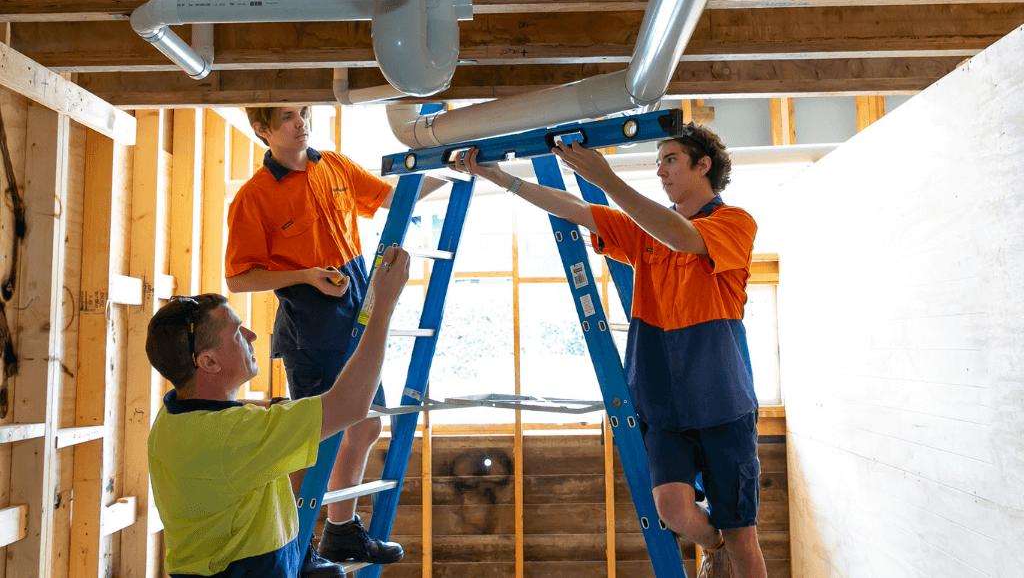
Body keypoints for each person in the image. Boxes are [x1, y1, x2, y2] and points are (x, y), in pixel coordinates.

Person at [450, 122, 763, 578]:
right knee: (673, 509)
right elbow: (575, 208)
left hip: (723, 402)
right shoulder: (645, 233)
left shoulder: (734, 222)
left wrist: (608, 179)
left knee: (745, 540)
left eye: (670, 160)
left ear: (703, 165)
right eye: (657, 163)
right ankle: (713, 544)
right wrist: (502, 178)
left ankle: (727, 544)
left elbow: (683, 238)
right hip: (664, 405)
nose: (660, 171)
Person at [224, 105, 445, 570]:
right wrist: (305, 276)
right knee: (314, 440)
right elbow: (240, 278)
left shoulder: (336, 167)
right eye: (286, 117)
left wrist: (453, 163)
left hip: (355, 306)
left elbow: (397, 197)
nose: (301, 122)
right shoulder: (254, 197)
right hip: (310, 324)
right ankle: (293, 545)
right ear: (261, 129)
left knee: (364, 426)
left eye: (303, 112)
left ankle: (339, 531)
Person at [147, 247, 411, 578]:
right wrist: (383, 307)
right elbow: (352, 404)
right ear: (209, 362)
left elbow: (226, 428)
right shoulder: (236, 435)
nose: (253, 336)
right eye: (237, 332)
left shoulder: (172, 419)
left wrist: (274, 408)